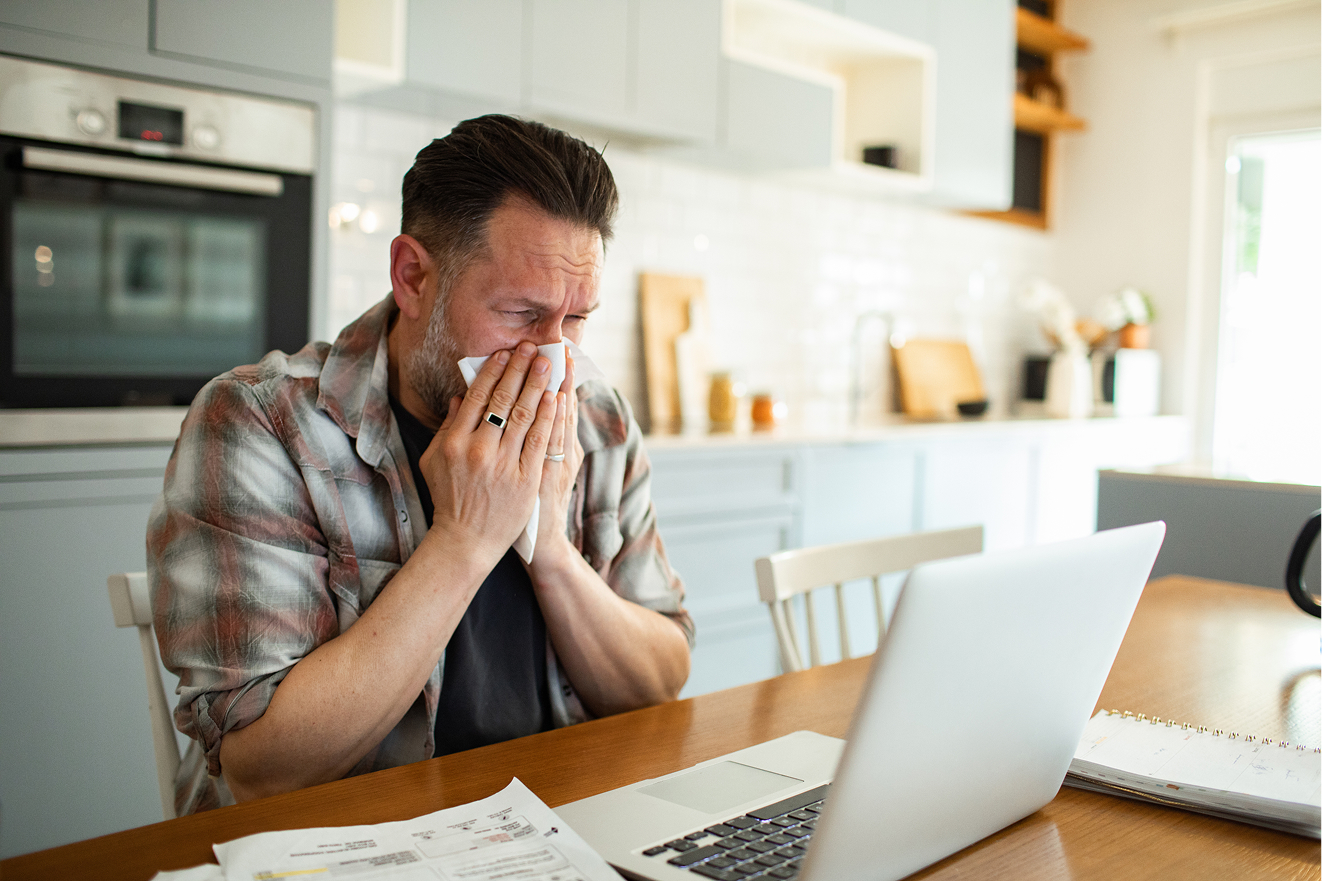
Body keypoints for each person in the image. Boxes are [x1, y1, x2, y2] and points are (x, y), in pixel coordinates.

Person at [147, 114, 692, 815]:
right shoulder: (262, 423)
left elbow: (662, 680)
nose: (553, 361)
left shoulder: (596, 417)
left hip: (557, 824)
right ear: (413, 277)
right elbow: (265, 772)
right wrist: (466, 539)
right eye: (521, 313)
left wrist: (551, 550)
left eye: (577, 319)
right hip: (340, 845)